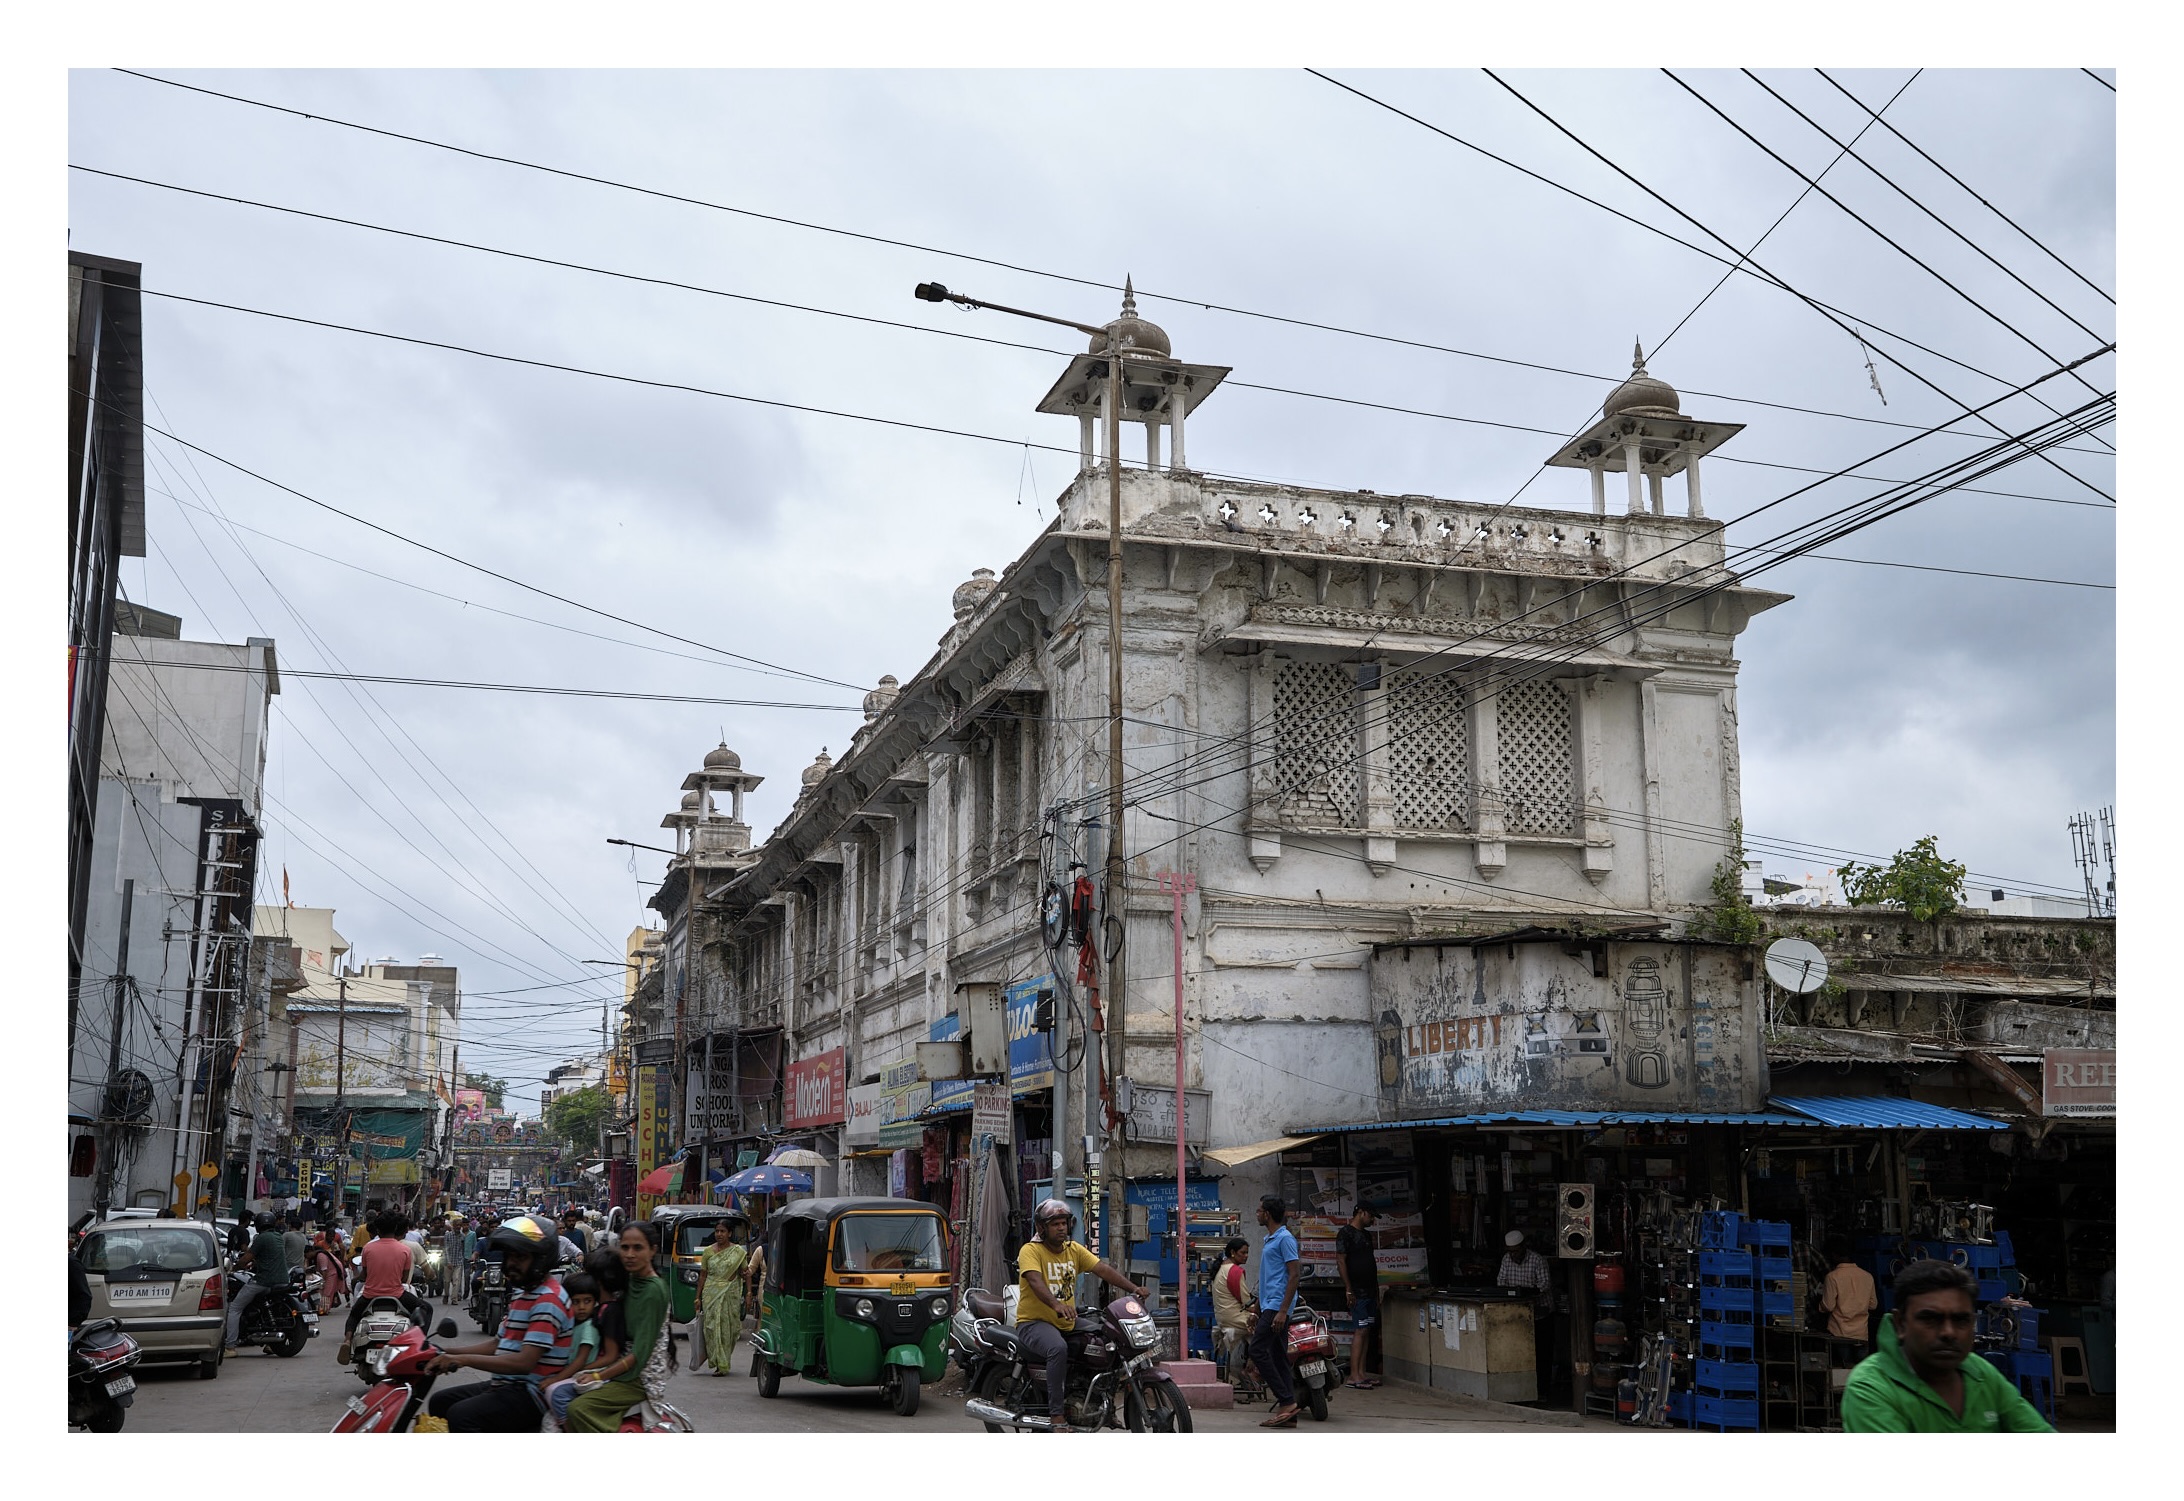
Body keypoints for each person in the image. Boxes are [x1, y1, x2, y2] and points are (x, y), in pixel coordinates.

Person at [1841, 1259, 2053, 1432]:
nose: (1948, 1332)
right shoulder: (1871, 1388)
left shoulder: (1981, 1374)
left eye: (1961, 1320)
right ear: (1900, 1324)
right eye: (1930, 1319)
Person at [422, 1214, 576, 1432]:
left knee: (461, 1415)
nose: (510, 1264)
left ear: (541, 1259)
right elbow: (498, 1345)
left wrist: (463, 1360)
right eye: (508, 1257)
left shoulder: (548, 1299)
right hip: (507, 1385)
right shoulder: (523, 1293)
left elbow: (524, 1362)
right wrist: (442, 1351)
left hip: (530, 1393)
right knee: (441, 1401)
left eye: (520, 1257)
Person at [1015, 1198, 1144, 1433]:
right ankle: (1056, 1415)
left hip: (1066, 1321)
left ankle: (1100, 1406)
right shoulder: (1030, 1251)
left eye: (1064, 1223)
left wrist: (1133, 1288)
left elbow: (1102, 1270)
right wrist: (1056, 1304)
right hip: (1034, 1323)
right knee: (1057, 1349)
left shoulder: (1073, 1250)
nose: (1061, 1228)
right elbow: (1035, 1281)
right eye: (1055, 1224)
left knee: (1107, 1340)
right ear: (1042, 1228)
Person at [565, 1223, 674, 1431]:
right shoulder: (631, 1278)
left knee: (577, 1409)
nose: (630, 1254)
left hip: (639, 1378)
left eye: (638, 1248)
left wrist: (597, 1375)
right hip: (621, 1367)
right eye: (625, 1248)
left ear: (653, 1250)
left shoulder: (653, 1291)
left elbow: (638, 1355)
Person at [338, 1211, 428, 1363]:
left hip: (370, 1295)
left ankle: (347, 1340)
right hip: (397, 1295)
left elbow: (365, 1275)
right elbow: (404, 1279)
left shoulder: (368, 1248)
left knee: (354, 1315)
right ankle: (420, 1341)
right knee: (425, 1308)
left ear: (377, 1230)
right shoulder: (404, 1250)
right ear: (395, 1229)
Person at [1247, 1195, 1303, 1428]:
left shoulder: (1285, 1239)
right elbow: (1268, 1279)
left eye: (1260, 1210)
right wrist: (1257, 1309)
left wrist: (1282, 1311)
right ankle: (1288, 1413)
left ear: (1268, 1214)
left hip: (1278, 1307)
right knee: (1279, 1356)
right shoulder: (1270, 1239)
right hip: (1269, 1305)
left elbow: (1294, 1275)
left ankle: (1287, 1401)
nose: (1257, 1214)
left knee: (1257, 1350)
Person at [540, 1271, 605, 1429]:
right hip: (573, 1373)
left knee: (556, 1395)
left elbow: (580, 1360)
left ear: (595, 1301)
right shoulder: (572, 1324)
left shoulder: (589, 1327)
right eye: (576, 1302)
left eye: (587, 1301)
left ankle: (570, 1428)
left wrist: (555, 1380)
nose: (582, 1307)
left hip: (584, 1376)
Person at [694, 1216, 750, 1375]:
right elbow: (703, 1275)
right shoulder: (708, 1252)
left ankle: (724, 1359)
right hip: (711, 1293)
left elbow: (745, 1273)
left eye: (723, 1231)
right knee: (712, 1328)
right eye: (717, 1231)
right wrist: (697, 1297)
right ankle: (720, 1363)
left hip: (730, 1294)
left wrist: (749, 1294)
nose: (719, 1234)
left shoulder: (738, 1252)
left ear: (730, 1233)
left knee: (729, 1330)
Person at [227, 1212, 290, 1350]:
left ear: (258, 1225)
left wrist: (233, 1269)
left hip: (264, 1280)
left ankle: (229, 1346)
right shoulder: (278, 1237)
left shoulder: (262, 1238)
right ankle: (269, 1343)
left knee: (234, 1308)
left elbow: (245, 1258)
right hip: (282, 1280)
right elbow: (269, 1256)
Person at [1337, 1202, 1381, 1390]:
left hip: (1370, 1289)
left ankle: (1361, 1373)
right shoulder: (1345, 1233)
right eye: (1370, 1215)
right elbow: (1340, 1261)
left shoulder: (1366, 1235)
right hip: (1358, 1291)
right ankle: (1354, 1375)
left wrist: (1377, 1291)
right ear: (1361, 1212)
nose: (1372, 1220)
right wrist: (1349, 1289)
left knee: (1367, 1330)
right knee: (1360, 1330)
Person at [1821, 1238, 1879, 1351]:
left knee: (1841, 1366)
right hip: (1861, 1334)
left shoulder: (1832, 1277)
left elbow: (1828, 1306)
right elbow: (1873, 1305)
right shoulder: (1867, 1276)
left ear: (1834, 1255)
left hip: (1839, 1332)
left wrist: (1819, 1305)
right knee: (1860, 1367)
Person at [1208, 1238, 1253, 1383]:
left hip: (1223, 1318)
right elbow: (1247, 1302)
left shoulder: (1221, 1268)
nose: (1246, 1256)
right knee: (1266, 1332)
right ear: (1233, 1253)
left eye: (1247, 1253)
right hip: (1236, 1318)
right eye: (1243, 1252)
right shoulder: (1235, 1271)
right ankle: (1251, 1371)